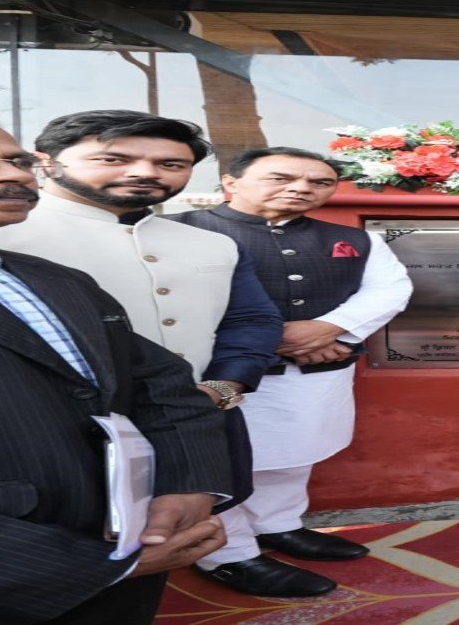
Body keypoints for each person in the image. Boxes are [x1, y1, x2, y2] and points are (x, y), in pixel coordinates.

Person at [0, 100, 232, 624]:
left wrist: (188, 483)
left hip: (124, 550)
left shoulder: (50, 276)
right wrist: (81, 567)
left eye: (17, 161)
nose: (11, 175)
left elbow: (157, 381)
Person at [0, 110, 283, 510]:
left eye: (170, 164)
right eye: (112, 159)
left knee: (196, 516)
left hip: (196, 421)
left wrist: (222, 388)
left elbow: (250, 320)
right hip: (49, 433)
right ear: (45, 161)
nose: (145, 172)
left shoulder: (213, 242)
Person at [169, 147, 413, 597]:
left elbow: (390, 289)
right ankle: (227, 554)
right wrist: (264, 339)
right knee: (217, 463)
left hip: (316, 372)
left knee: (295, 453)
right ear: (231, 182)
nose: (301, 188)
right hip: (213, 375)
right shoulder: (175, 231)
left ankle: (277, 524)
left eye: (319, 183)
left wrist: (331, 330)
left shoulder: (355, 240)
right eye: (281, 178)